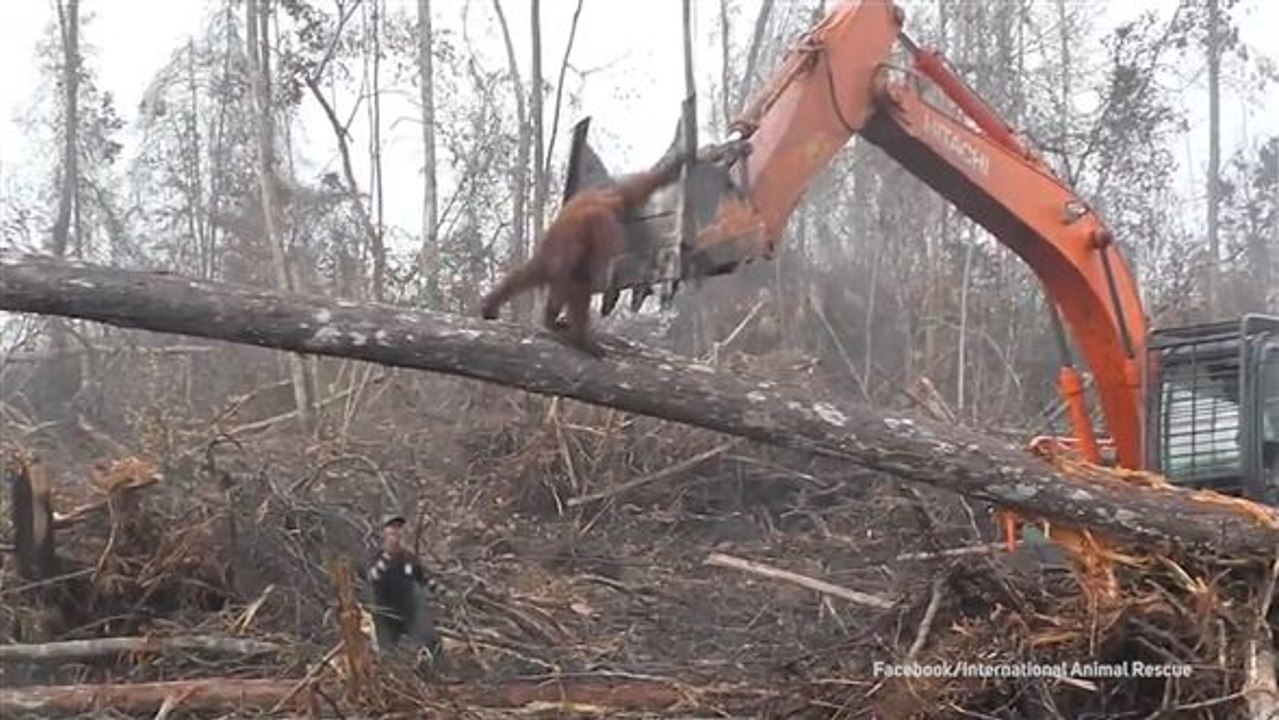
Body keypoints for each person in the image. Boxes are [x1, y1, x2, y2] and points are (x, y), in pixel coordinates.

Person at [366, 514, 443, 668]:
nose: (396, 532)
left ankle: (431, 674)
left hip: (408, 610)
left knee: (430, 642)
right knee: (387, 653)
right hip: (385, 613)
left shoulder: (408, 557)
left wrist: (443, 592)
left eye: (398, 528)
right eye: (392, 528)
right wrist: (388, 555)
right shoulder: (376, 555)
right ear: (384, 533)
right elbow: (373, 578)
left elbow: (423, 578)